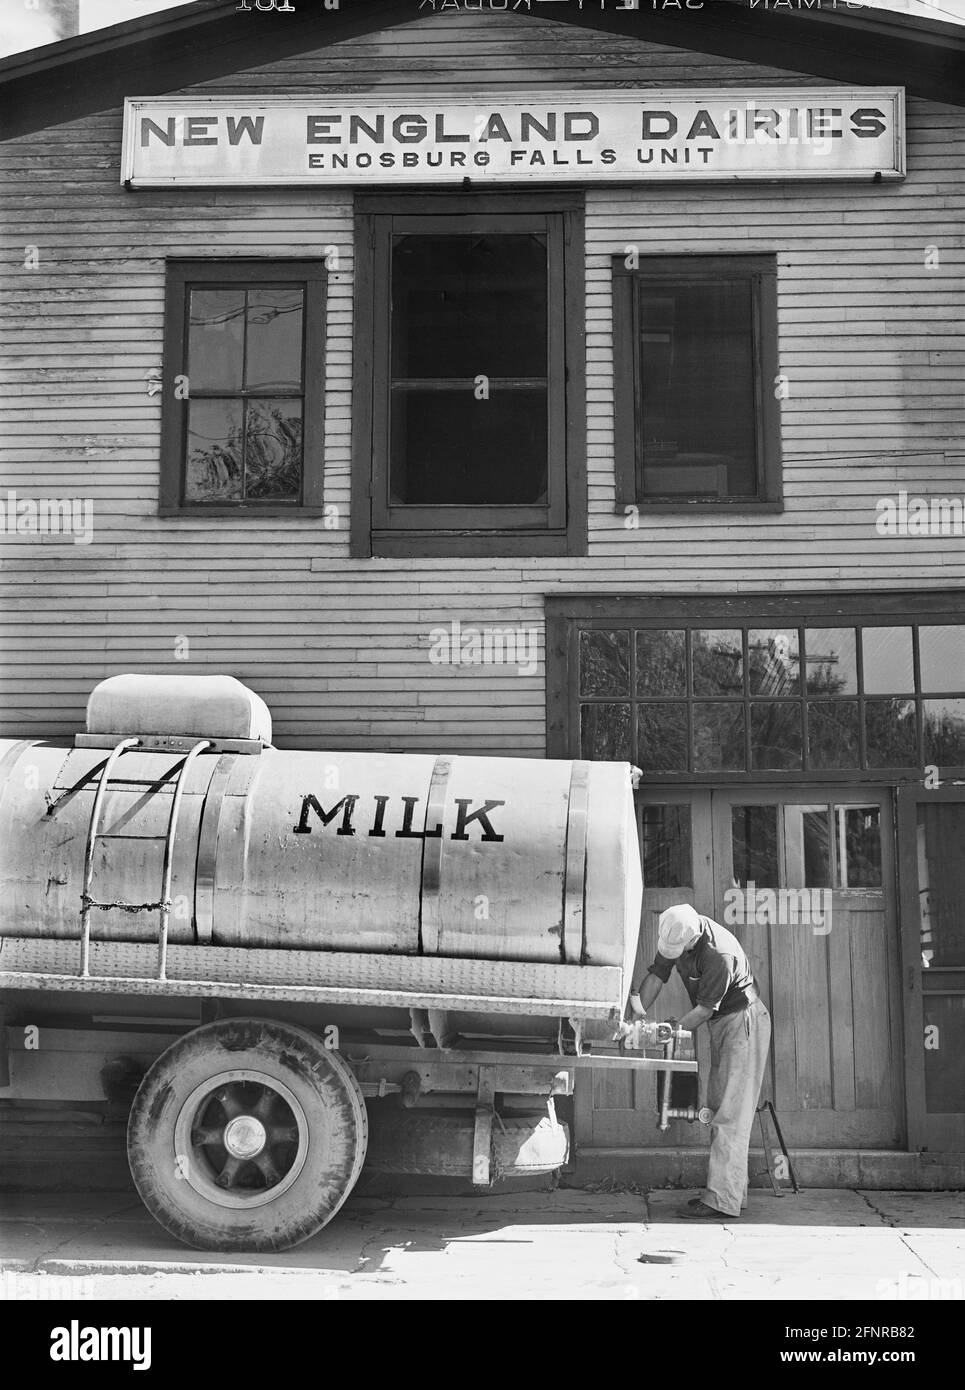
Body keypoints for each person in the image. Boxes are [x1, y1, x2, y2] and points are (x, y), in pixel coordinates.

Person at [628, 903, 771, 1221]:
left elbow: (705, 1010)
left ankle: (722, 1200)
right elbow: (656, 975)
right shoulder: (678, 929)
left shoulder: (717, 955)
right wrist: (635, 1014)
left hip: (741, 1021)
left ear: (691, 941)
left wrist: (667, 1033)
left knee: (731, 1114)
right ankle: (731, 1193)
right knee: (723, 1107)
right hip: (723, 1023)